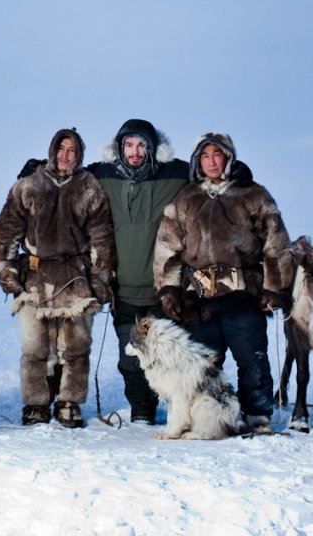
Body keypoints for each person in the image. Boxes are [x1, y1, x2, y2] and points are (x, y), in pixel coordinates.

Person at [152, 133, 294, 435]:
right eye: (205, 156)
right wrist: (168, 289)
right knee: (201, 365)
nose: (212, 161)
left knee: (252, 357)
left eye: (218, 154)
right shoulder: (185, 198)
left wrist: (274, 288)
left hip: (243, 293)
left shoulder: (254, 194)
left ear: (228, 156)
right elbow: (167, 247)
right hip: (199, 298)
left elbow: (276, 244)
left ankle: (257, 415)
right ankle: (207, 417)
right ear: (197, 161)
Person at [0, 127, 117, 428]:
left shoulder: (89, 187)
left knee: (75, 347)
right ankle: (36, 403)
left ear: (79, 155)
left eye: (72, 150)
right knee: (35, 347)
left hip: (75, 278)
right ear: (52, 150)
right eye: (61, 149)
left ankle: (69, 402)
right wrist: (6, 270)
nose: (66, 155)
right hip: (35, 277)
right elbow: (6, 230)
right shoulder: (29, 185)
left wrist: (100, 278)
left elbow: (101, 236)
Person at [85, 118, 189, 424]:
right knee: (129, 356)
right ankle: (142, 407)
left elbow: (213, 170)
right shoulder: (102, 176)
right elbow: (66, 174)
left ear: (153, 147)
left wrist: (239, 171)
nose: (135, 151)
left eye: (142, 145)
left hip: (163, 288)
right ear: (118, 148)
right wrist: (37, 169)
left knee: (165, 354)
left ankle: (175, 406)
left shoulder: (176, 174)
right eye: (129, 145)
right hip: (124, 288)